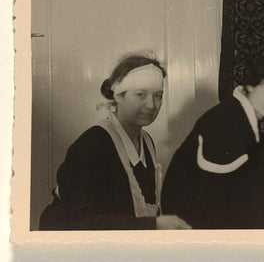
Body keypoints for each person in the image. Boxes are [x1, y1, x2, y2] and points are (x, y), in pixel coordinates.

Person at [39, 54, 191, 230]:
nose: (151, 105)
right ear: (118, 96)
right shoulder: (93, 145)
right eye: (141, 95)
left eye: (158, 96)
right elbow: (82, 222)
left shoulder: (147, 142)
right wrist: (153, 225)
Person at [161, 58, 264, 229]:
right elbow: (215, 189)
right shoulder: (225, 119)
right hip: (188, 214)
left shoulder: (236, 111)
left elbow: (244, 144)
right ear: (250, 86)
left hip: (204, 202)